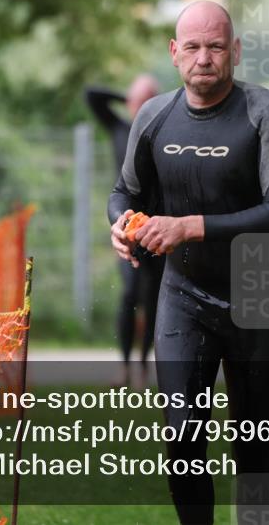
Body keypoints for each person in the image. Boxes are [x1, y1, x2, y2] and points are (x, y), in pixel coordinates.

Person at [108, 0, 269, 525]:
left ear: (234, 51)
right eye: (192, 47)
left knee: (253, 454)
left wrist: (188, 225)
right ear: (174, 53)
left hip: (256, 298)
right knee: (182, 442)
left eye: (216, 46)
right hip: (184, 296)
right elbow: (123, 191)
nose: (204, 58)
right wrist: (119, 226)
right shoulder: (153, 117)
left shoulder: (267, 112)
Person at [85, 74, 163, 388]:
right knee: (129, 294)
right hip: (127, 227)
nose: (140, 105)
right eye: (136, 100)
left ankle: (144, 367)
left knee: (153, 299)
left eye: (148, 100)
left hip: (158, 230)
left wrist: (148, 102)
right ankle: (124, 367)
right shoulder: (120, 129)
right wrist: (128, 96)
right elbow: (92, 92)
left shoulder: (162, 133)